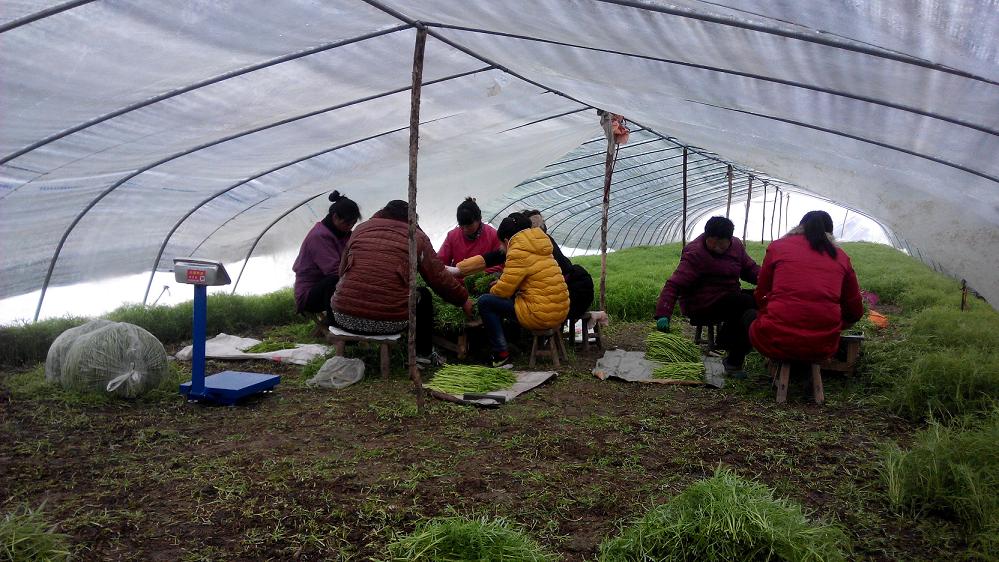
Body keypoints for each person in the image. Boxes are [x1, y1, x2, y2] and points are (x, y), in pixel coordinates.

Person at [332, 200, 473, 361]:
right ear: (412, 218)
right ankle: (423, 354)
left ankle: (353, 349)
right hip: (387, 322)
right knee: (424, 295)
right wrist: (463, 299)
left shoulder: (360, 229)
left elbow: (341, 271)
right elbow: (438, 277)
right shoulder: (416, 236)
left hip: (343, 317)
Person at [748, 211, 864, 361]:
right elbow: (855, 309)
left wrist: (768, 310)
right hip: (823, 344)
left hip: (776, 339)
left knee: (750, 318)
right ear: (830, 232)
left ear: (799, 226)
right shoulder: (840, 256)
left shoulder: (778, 247)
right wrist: (839, 322)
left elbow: (761, 292)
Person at [654, 216, 760, 373]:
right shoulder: (695, 253)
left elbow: (750, 269)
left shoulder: (736, 246)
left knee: (758, 299)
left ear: (729, 239)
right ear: (706, 236)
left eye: (721, 243)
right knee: (744, 301)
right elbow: (675, 284)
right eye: (713, 241)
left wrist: (771, 280)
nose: (716, 246)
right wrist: (663, 313)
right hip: (701, 303)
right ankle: (724, 343)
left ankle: (734, 356)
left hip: (730, 298)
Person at [451, 210, 594, 320]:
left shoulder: (523, 249)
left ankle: (505, 347)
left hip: (572, 295)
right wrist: (459, 269)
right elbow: (493, 257)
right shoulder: (537, 242)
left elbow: (508, 287)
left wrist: (497, 287)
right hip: (561, 300)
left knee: (492, 301)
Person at [476, 212, 570, 367]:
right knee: (514, 297)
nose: (501, 248)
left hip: (540, 314)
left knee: (486, 302)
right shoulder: (540, 244)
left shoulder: (517, 251)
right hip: (560, 310)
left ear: (507, 241)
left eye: (501, 244)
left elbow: (503, 291)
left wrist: (495, 288)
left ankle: (501, 354)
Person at [292, 191, 360, 319]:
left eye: (353, 223)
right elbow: (334, 271)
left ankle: (354, 324)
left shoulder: (344, 234)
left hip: (329, 287)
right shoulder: (319, 236)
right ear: (335, 217)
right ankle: (335, 327)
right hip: (309, 295)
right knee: (335, 280)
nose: (350, 227)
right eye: (347, 223)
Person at [437, 197, 502, 272]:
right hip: (456, 281)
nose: (465, 229)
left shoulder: (493, 235)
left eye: (469, 225)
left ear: (479, 219)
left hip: (484, 280)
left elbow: (500, 265)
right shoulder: (452, 235)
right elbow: (440, 262)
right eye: (461, 225)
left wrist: (476, 275)